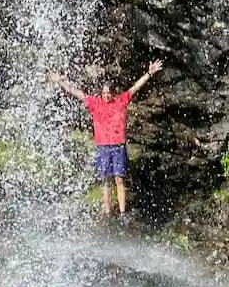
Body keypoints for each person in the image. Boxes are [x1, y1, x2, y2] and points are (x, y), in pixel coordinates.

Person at [48, 60, 163, 218]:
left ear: (113, 93)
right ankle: (108, 212)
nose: (106, 95)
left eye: (108, 93)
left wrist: (149, 73)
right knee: (105, 181)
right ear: (101, 94)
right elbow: (77, 93)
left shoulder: (120, 101)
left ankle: (122, 213)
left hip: (118, 147)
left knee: (119, 180)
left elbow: (135, 87)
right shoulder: (95, 104)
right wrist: (61, 82)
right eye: (104, 93)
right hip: (103, 148)